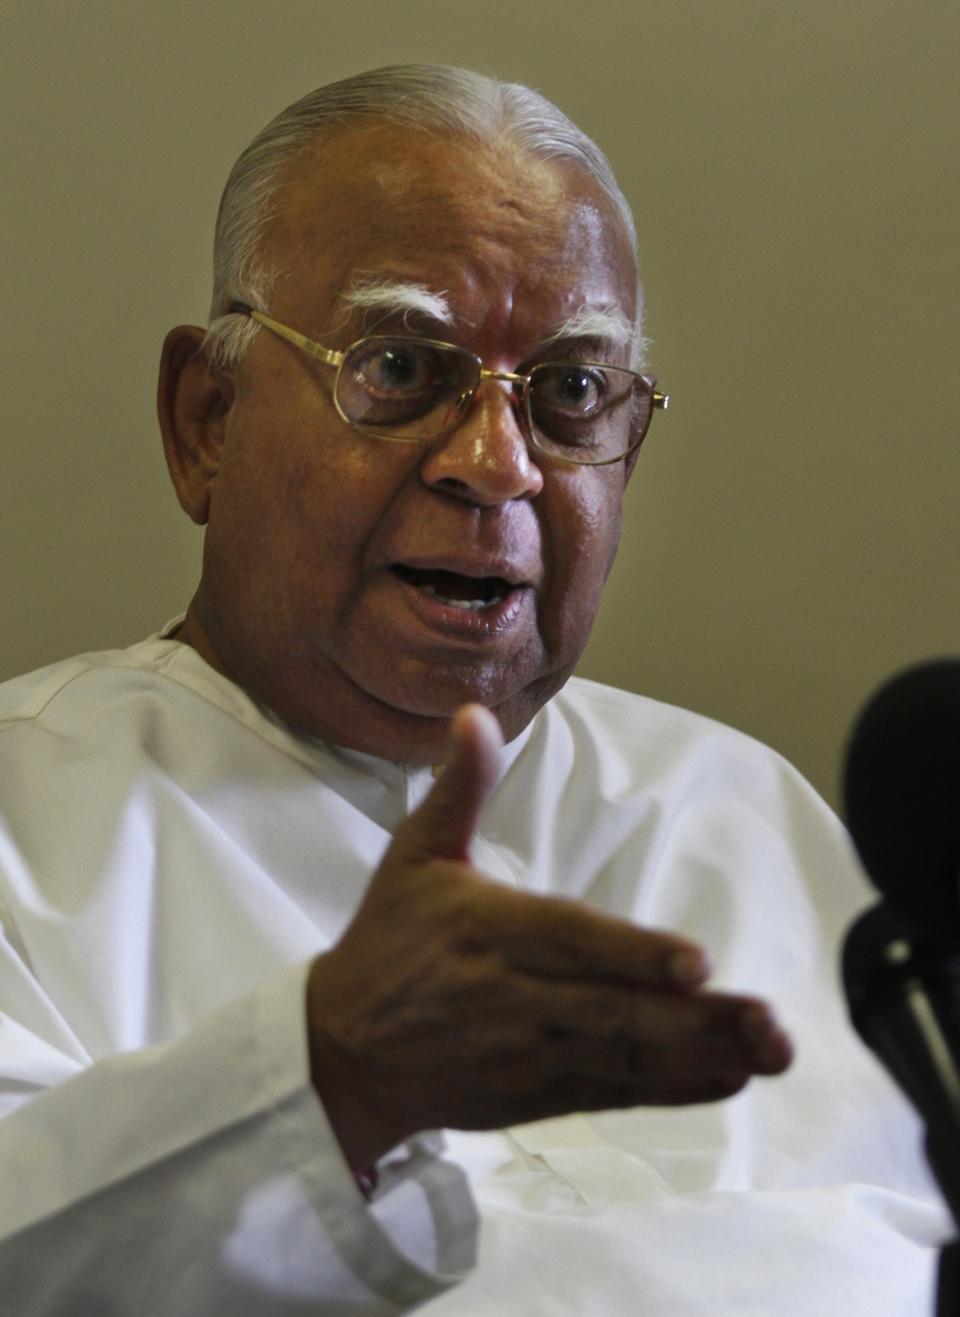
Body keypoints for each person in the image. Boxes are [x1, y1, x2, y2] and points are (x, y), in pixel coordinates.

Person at [0, 64, 948, 1314]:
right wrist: (327, 1073)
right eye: (400, 367)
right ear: (206, 421)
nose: (496, 465)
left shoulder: (740, 810)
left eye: (568, 393)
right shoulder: (23, 819)